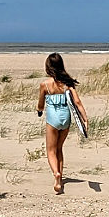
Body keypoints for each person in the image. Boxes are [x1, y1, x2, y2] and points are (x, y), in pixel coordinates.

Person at [36, 52, 88, 195]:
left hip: (52, 119)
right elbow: (77, 102)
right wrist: (85, 119)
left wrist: (39, 110)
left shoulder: (45, 85)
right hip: (66, 117)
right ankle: (60, 176)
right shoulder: (67, 83)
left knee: (50, 150)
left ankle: (56, 176)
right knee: (59, 148)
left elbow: (40, 104)